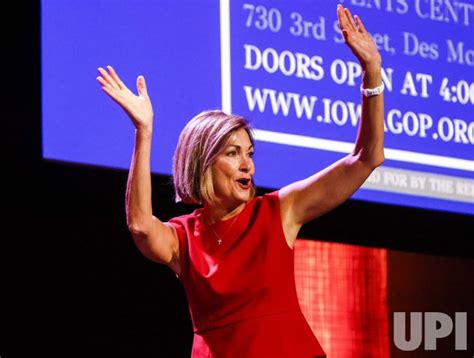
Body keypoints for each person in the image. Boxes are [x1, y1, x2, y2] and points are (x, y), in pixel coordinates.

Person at [96, 5, 384, 357]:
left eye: (250, 153)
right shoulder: (183, 238)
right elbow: (140, 226)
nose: (247, 164)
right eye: (233, 154)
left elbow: (366, 158)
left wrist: (371, 73)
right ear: (203, 162)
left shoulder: (278, 212)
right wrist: (144, 131)